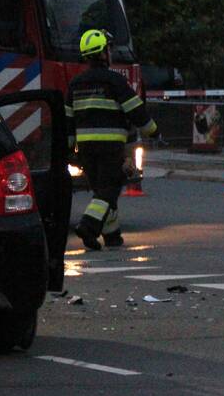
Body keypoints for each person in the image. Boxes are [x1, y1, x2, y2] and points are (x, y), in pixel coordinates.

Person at [66, 29, 160, 250]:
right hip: (110, 147)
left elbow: (67, 119)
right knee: (109, 189)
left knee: (102, 191)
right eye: (108, 49)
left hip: (85, 149)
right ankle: (88, 226)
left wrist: (69, 150)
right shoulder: (115, 81)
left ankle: (112, 236)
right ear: (102, 53)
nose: (110, 52)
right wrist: (154, 131)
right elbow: (135, 110)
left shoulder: (75, 84)